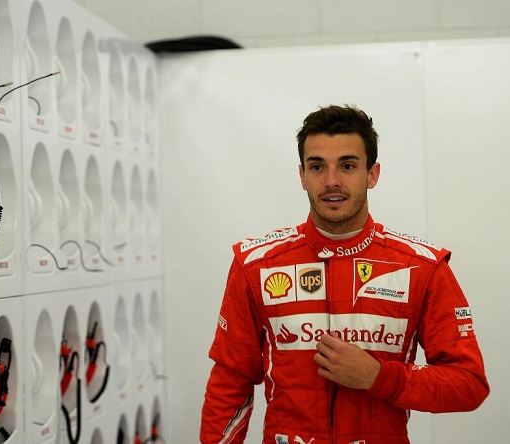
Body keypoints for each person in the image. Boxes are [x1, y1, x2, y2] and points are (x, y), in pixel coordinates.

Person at [200, 105, 489, 444]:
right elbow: (230, 383)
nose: (331, 181)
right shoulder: (256, 264)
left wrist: (380, 377)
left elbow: (469, 384)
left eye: (348, 165)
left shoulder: (422, 267)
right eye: (317, 166)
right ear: (302, 175)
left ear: (372, 174)